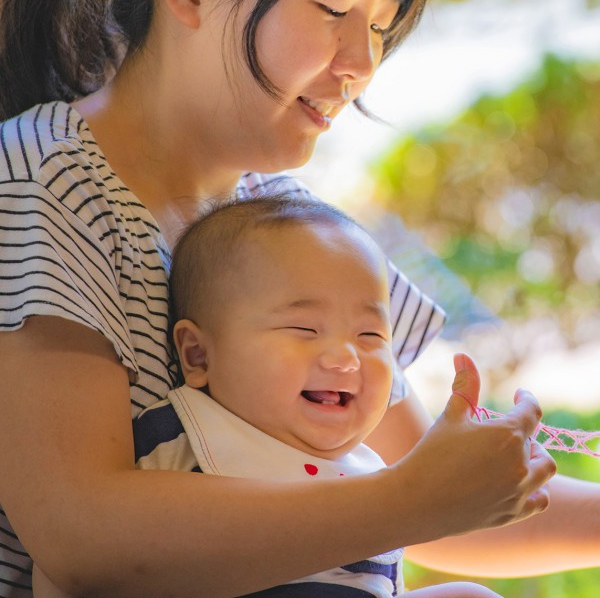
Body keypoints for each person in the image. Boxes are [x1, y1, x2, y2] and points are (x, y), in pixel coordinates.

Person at [0, 0, 600, 595]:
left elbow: (422, 487)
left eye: (380, 25)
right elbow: (77, 531)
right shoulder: (44, 182)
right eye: (334, 9)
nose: (360, 62)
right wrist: (402, 502)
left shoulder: (279, 215)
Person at [34, 196, 502, 598]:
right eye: (304, 328)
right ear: (197, 355)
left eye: (370, 334)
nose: (345, 358)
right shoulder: (177, 443)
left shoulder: (375, 474)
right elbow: (80, 564)